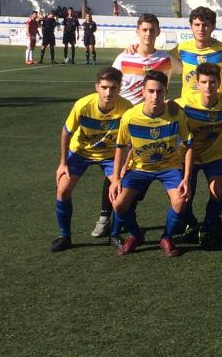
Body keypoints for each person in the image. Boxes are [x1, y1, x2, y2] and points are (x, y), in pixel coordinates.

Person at [89, 13, 173, 239]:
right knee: (115, 171)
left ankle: (124, 216)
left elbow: (194, 63)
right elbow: (111, 84)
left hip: (150, 125)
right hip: (124, 123)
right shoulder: (123, 59)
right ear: (138, 31)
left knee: (138, 171)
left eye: (152, 30)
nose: (148, 34)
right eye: (144, 29)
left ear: (158, 32)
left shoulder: (166, 59)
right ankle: (105, 218)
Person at [109, 70, 193, 257]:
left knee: (180, 201)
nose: (155, 96)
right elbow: (121, 147)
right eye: (151, 91)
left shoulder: (176, 114)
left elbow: (189, 145)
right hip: (140, 168)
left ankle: (167, 237)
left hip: (169, 167)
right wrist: (115, 179)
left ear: (166, 92)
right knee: (118, 204)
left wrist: (186, 178)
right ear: (143, 92)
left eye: (160, 92)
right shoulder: (130, 117)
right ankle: (136, 235)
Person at [50, 67, 132, 252]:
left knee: (121, 192)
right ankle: (65, 236)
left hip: (111, 155)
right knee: (63, 190)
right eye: (104, 87)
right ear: (97, 87)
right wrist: (63, 163)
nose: (108, 92)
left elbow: (132, 141)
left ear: (119, 88)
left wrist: (124, 168)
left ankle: (114, 234)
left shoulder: (127, 109)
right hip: (80, 153)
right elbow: (66, 133)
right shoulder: (83, 105)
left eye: (113, 88)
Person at [175, 62, 222, 248]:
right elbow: (168, 107)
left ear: (219, 82)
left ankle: (209, 225)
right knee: (184, 197)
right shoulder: (186, 102)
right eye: (204, 82)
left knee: (218, 192)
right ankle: (191, 222)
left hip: (215, 157)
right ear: (198, 83)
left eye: (212, 82)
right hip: (188, 157)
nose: (208, 86)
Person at [170, 6, 222, 100]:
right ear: (191, 26)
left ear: (213, 26)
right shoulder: (181, 49)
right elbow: (159, 58)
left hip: (215, 106)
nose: (201, 29)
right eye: (197, 24)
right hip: (188, 107)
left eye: (205, 25)